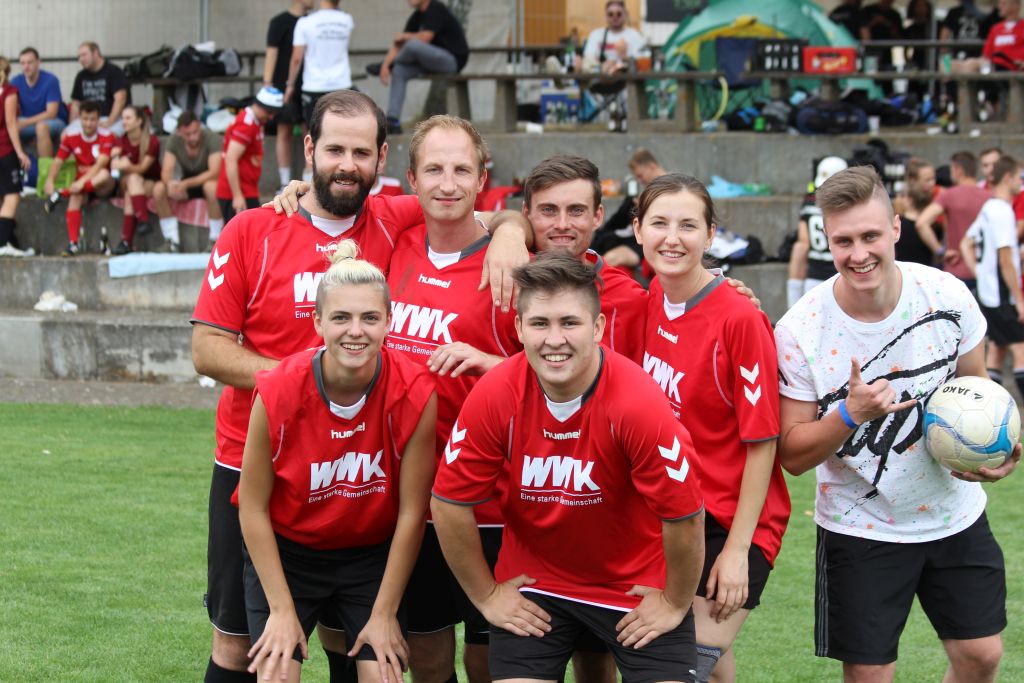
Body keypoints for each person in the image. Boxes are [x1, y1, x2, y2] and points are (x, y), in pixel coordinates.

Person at [191, 88, 528, 683]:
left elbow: (471, 207)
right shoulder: (253, 229)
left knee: (356, 639)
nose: (347, 165)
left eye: (361, 152)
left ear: (382, 159)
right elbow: (207, 349)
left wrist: (510, 232)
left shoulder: (393, 220)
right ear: (308, 149)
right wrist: (301, 385)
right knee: (241, 643)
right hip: (253, 456)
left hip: (363, 465)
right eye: (334, 150)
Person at [775, 165, 1018, 683]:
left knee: (981, 656)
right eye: (843, 241)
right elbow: (792, 454)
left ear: (895, 229)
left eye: (870, 236)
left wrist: (993, 451)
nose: (858, 253)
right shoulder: (800, 329)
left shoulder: (947, 295)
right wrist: (850, 413)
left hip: (954, 515)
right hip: (861, 527)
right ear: (827, 239)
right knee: (869, 675)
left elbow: (978, 389)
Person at [431, 252, 706, 683]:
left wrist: (674, 601)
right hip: (536, 589)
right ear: (519, 328)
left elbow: (685, 516)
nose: (554, 339)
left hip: (633, 588)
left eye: (570, 323)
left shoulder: (637, 401)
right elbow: (448, 503)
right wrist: (486, 595)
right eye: (540, 323)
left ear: (597, 328)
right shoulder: (496, 392)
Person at [238, 238, 437, 683]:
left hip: (370, 557)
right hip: (289, 555)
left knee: (383, 674)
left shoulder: (414, 391)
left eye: (370, 318)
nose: (355, 331)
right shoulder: (278, 389)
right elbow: (252, 508)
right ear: (318, 321)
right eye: (341, 317)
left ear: (389, 321)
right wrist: (281, 610)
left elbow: (412, 513)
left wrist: (384, 614)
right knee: (275, 673)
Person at [634, 174, 789, 683]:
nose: (672, 238)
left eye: (688, 225)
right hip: (675, 513)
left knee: (680, 664)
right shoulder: (652, 297)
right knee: (712, 668)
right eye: (659, 223)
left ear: (711, 234)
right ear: (637, 230)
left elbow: (763, 443)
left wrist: (738, 551)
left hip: (733, 520)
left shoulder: (740, 319)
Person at [386, 114, 522, 683]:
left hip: (491, 504)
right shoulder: (390, 246)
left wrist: (511, 230)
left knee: (491, 659)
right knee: (427, 656)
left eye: (462, 170)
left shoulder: (511, 267)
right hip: (406, 503)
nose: (448, 184)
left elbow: (558, 377)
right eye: (434, 169)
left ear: (482, 178)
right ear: (411, 180)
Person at [523, 154, 647, 365]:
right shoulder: (500, 275)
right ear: (526, 214)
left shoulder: (631, 299)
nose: (562, 224)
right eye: (549, 210)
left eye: (576, 210)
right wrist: (508, 228)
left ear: (597, 217)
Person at [961, 155, 1024, 396]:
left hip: (988, 291)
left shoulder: (989, 207)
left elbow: (966, 243)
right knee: (1021, 348)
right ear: (1008, 177)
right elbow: (1005, 259)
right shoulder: (1002, 211)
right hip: (1002, 295)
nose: (1020, 183)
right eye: (1019, 178)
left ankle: (990, 404)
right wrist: (1019, 299)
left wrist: (980, 273)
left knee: (998, 350)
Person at [373, 0, 469, 135]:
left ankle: (392, 64)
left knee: (413, 45)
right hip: (428, 63)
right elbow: (399, 44)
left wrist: (390, 61)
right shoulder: (416, 17)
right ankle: (393, 121)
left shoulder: (435, 8)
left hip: (451, 62)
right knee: (399, 70)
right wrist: (385, 65)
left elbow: (425, 38)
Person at [286, 0, 355, 181]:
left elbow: (296, 58)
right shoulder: (346, 20)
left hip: (314, 86)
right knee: (342, 137)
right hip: (342, 85)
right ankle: (339, 181)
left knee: (313, 139)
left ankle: (308, 189)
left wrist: (290, 84)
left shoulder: (305, 22)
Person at [43, 100, 116, 257]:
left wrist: (82, 181)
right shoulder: (71, 136)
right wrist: (50, 180)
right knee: (76, 196)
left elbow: (101, 164)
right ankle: (73, 244)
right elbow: (58, 161)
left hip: (103, 185)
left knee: (104, 174)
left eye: (92, 119)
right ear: (79, 119)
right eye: (85, 119)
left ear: (98, 120)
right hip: (82, 186)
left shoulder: (107, 135)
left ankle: (62, 193)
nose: (88, 124)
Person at [913, 150, 989, 288]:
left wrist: (940, 250)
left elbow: (921, 223)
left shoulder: (949, 195)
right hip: (983, 270)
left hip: (955, 269)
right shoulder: (989, 197)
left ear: (958, 170)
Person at [215, 86, 283, 225]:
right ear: (259, 105)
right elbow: (231, 158)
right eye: (269, 112)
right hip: (238, 193)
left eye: (274, 113)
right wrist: (237, 196)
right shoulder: (247, 125)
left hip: (246, 190)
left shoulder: (254, 121)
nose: (271, 117)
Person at [157, 110, 225, 250]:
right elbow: (166, 171)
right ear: (179, 132)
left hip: (206, 180)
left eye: (195, 132)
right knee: (158, 189)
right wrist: (170, 184)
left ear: (199, 126)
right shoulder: (174, 140)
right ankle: (171, 240)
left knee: (211, 187)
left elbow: (214, 172)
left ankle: (215, 239)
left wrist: (186, 184)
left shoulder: (212, 138)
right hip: (187, 182)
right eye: (188, 134)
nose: (193, 137)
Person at [787, 156, 848, 309]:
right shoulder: (849, 205)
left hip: (813, 280)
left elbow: (803, 244)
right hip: (844, 277)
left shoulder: (808, 203)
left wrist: (793, 300)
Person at [591, 147, 665, 271]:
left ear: (651, 167)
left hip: (650, 240)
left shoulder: (670, 188)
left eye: (640, 176)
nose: (640, 180)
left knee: (609, 258)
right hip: (638, 237)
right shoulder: (653, 187)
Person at [264, 0, 311, 189]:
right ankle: (284, 183)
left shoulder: (312, 21)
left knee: (311, 132)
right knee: (284, 131)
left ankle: (308, 182)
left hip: (308, 85)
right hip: (283, 85)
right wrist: (268, 83)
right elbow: (271, 53)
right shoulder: (279, 22)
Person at [110, 105, 161, 254]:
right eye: (123, 118)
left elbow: (143, 169)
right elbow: (114, 167)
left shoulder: (152, 141)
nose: (124, 122)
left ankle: (126, 241)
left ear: (139, 121)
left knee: (130, 192)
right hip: (126, 182)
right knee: (132, 179)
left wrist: (127, 165)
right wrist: (115, 160)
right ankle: (143, 219)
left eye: (128, 118)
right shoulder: (120, 141)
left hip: (149, 182)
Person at [12, 47, 67, 160]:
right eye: (22, 63)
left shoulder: (50, 80)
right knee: (9, 126)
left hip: (54, 122)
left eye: (30, 62)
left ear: (38, 62)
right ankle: (15, 166)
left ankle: (45, 168)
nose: (26, 67)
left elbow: (51, 113)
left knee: (41, 127)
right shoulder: (16, 81)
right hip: (28, 122)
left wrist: (25, 123)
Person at [0, 56, 31, 255]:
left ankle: (11, 241)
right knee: (12, 196)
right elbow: (11, 123)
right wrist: (20, 152)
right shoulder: (8, 92)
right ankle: (3, 244)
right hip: (3, 149)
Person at [69, 42, 129, 136]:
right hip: (86, 120)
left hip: (111, 118)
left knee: (107, 137)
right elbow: (76, 104)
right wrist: (72, 124)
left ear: (95, 53)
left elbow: (120, 99)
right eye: (79, 56)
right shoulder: (81, 76)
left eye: (84, 55)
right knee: (66, 135)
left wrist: (109, 122)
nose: (81, 59)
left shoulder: (114, 71)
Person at [893, 158, 939, 266]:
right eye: (928, 180)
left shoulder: (937, 202)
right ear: (913, 180)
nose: (932, 183)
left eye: (933, 178)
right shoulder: (900, 204)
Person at [581, 0, 647, 73]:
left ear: (625, 15)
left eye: (619, 14)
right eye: (610, 14)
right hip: (602, 78)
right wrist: (602, 67)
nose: (615, 17)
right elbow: (587, 63)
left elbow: (644, 62)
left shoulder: (635, 35)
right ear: (606, 16)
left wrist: (625, 58)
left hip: (626, 78)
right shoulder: (596, 35)